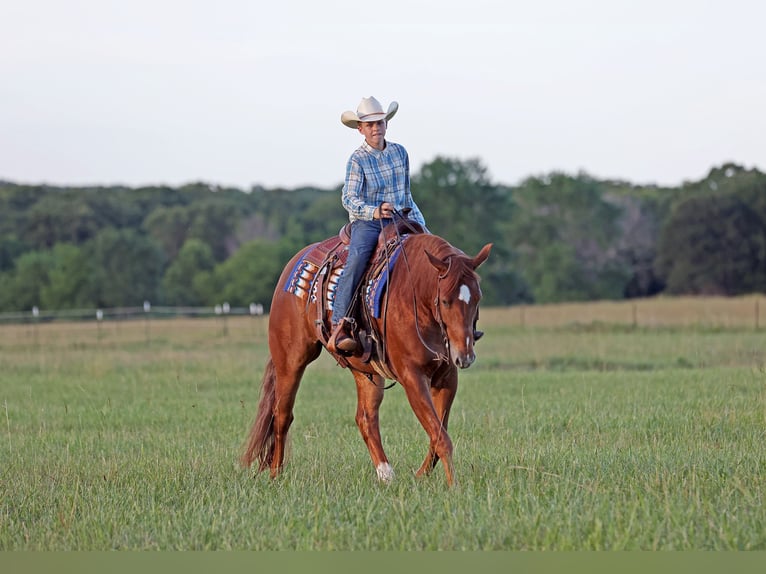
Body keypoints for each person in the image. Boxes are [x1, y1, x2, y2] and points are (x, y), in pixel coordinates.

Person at [328, 96, 427, 354]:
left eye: (379, 122)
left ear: (386, 124)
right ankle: (341, 323)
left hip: (402, 216)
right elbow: (348, 199)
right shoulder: (357, 159)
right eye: (369, 124)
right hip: (369, 222)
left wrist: (422, 227)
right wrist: (374, 211)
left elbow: (406, 194)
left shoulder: (400, 152)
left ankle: (442, 319)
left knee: (434, 255)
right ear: (360, 129)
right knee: (359, 257)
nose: (375, 128)